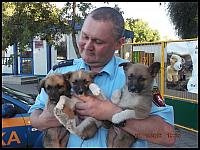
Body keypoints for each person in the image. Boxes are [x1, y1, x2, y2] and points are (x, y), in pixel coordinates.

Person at [28, 7, 176, 148]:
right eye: (84, 36)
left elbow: (167, 135)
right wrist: (45, 119)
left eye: (98, 41)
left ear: (119, 43)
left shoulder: (136, 76)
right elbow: (34, 117)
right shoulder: (60, 72)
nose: (87, 46)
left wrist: (112, 113)